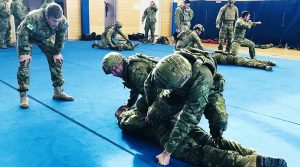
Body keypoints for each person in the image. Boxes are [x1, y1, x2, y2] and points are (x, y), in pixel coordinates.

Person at [102, 51, 229, 140]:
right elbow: (137, 88)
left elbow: (158, 92)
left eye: (114, 69)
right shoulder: (128, 70)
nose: (113, 73)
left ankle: (214, 136)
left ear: (120, 62)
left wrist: (155, 111)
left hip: (175, 87)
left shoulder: (136, 71)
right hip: (171, 85)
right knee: (143, 107)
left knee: (153, 115)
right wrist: (130, 103)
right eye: (111, 72)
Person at [116, 107, 287, 167]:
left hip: (168, 133)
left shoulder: (128, 117)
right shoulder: (147, 100)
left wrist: (125, 116)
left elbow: (134, 123)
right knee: (212, 141)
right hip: (182, 123)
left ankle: (250, 163)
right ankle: (257, 156)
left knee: (200, 152)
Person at [17, 3, 74, 109]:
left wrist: (56, 52)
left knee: (56, 60)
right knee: (24, 62)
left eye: (58, 21)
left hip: (45, 37)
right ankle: (23, 95)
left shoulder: (62, 22)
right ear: (46, 16)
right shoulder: (33, 17)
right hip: (27, 36)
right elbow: (23, 33)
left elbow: (60, 38)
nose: (56, 24)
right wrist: (25, 53)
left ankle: (58, 92)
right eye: (53, 20)